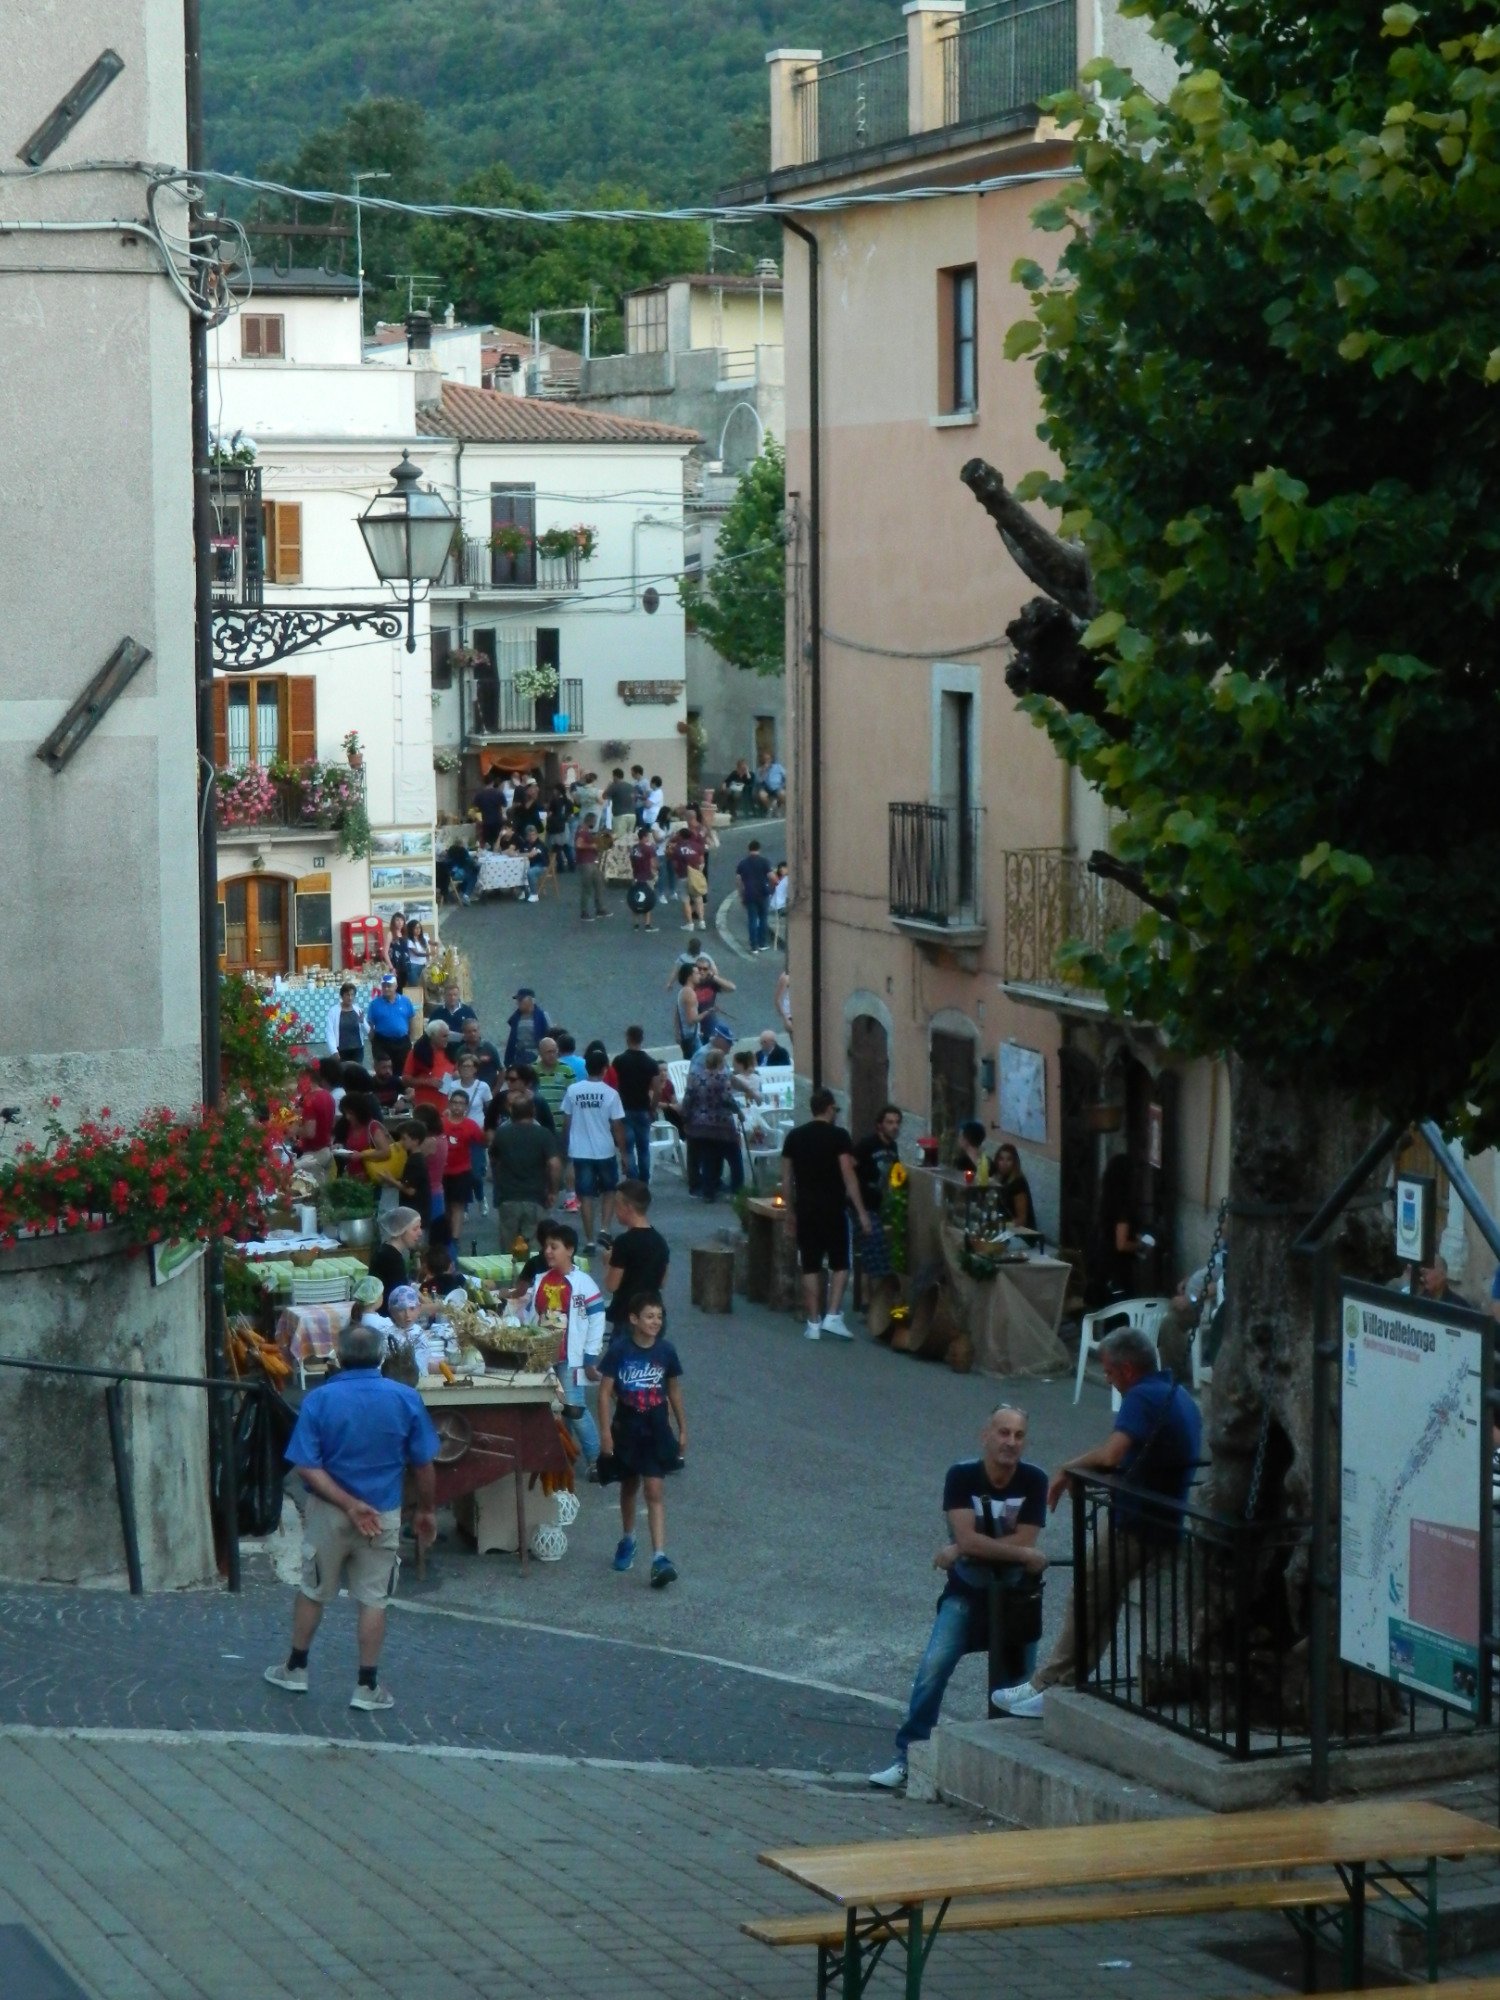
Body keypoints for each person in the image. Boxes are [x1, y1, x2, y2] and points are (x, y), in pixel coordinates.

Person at [992, 1327, 1202, 1718]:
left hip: (1139, 1522)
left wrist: (1065, 1469)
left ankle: (1050, 1684)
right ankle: (1060, 1682)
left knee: (1088, 1595)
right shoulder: (1174, 1393)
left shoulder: (1141, 1396)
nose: (1106, 1379)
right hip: (1162, 1517)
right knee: (1098, 1599)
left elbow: (1111, 1454)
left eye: (1108, 1371)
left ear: (1125, 1369)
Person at [264, 1318, 440, 1712]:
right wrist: (426, 1510)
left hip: (330, 1513)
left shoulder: (319, 1400)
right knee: (373, 1599)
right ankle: (367, 1686)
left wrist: (346, 1504)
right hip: (383, 1512)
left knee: (313, 1590)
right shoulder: (405, 1398)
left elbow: (306, 1465)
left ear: (339, 1356)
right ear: (380, 1357)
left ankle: (296, 1668)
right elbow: (425, 1463)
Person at [870, 1405, 1049, 1789]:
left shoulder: (1035, 1479)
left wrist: (963, 1550)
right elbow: (1007, 1545)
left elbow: (1021, 1539)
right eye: (1003, 1433)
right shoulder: (962, 1475)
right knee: (932, 1670)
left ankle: (1006, 1776)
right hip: (967, 1593)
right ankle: (908, 1759)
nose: (1010, 1443)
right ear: (985, 1436)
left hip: (1016, 1599)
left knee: (1017, 1689)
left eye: (1018, 1435)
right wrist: (987, 1550)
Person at [598, 1291, 686, 1588]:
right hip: (627, 1426)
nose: (655, 1322)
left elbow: (673, 1391)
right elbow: (603, 1393)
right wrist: (605, 1434)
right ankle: (628, 1538)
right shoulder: (620, 1351)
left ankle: (660, 1557)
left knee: (654, 1489)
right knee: (629, 1486)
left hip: (656, 1428)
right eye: (649, 1316)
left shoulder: (666, 1352)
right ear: (634, 1319)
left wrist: (683, 1428)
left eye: (659, 1317)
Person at [780, 1088, 870, 1340]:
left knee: (810, 1264)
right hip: (833, 1208)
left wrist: (790, 1212)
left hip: (806, 1208)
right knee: (840, 1262)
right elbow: (848, 1175)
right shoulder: (839, 1136)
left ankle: (813, 1322)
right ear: (830, 1108)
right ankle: (832, 1314)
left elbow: (786, 1178)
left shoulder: (795, 1137)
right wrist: (861, 1211)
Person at [521, 1221, 606, 1467]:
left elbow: (597, 1320)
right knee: (551, 1410)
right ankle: (562, 1459)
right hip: (544, 1356)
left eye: (554, 1246)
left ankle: (596, 1461)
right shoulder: (540, 1280)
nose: (547, 1251)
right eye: (546, 1246)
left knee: (574, 1408)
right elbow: (531, 1317)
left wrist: (591, 1356)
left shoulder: (584, 1283)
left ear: (569, 1250)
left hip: (573, 1358)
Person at [561, 1049, 627, 1251]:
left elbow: (567, 1121)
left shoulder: (573, 1091)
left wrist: (566, 1145)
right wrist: (623, 1153)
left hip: (580, 1150)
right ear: (605, 1069)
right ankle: (605, 1229)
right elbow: (617, 1126)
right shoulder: (611, 1094)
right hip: (604, 1148)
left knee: (586, 1195)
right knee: (609, 1190)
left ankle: (589, 1240)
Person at [489, 1092, 562, 1251]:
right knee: (535, 1246)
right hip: (535, 1196)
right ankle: (532, 1275)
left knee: (508, 1248)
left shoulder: (502, 1133)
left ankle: (511, 1274)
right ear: (533, 1111)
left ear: (511, 1112)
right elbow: (554, 1164)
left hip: (508, 1196)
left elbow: (494, 1160)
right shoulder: (543, 1134)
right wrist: (553, 1191)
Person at [601, 1180, 670, 1339]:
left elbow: (611, 1285)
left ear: (628, 1208)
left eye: (617, 1206)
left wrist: (607, 1262)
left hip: (628, 1313)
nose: (615, 1211)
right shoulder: (660, 1241)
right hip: (653, 1312)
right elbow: (662, 1282)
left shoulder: (624, 1243)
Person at [682, 1049, 743, 1204]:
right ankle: (738, 1188)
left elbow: (688, 1099)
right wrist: (739, 1112)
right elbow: (727, 1098)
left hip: (700, 1125)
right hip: (721, 1125)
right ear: (720, 1062)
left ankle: (708, 1192)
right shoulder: (723, 1078)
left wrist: (686, 1118)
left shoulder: (694, 1077)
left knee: (708, 1157)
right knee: (734, 1156)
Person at [852, 1104, 903, 1283]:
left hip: (878, 1204)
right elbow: (849, 1168)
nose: (894, 1126)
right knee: (875, 1244)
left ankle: (870, 1301)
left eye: (897, 1122)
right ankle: (880, 1293)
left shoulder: (893, 1147)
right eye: (890, 1122)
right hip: (861, 1205)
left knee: (875, 1249)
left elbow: (895, 1174)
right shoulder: (867, 1144)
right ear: (880, 1125)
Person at [612, 1027, 661, 1183]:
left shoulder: (619, 1061)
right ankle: (644, 1180)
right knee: (644, 1148)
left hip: (624, 1109)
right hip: (643, 1109)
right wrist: (652, 1109)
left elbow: (614, 1087)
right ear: (642, 1039)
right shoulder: (651, 1062)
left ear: (628, 1038)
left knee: (628, 1148)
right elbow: (657, 1089)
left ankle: (632, 1180)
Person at [439, 1087, 486, 1242]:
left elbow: (482, 1142)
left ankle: (455, 1239)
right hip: (442, 1172)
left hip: (462, 1171)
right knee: (444, 1207)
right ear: (449, 1104)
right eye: (454, 1102)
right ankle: (444, 1235)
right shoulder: (441, 1123)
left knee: (458, 1206)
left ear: (466, 1107)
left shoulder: (471, 1125)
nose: (457, 1106)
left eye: (461, 1103)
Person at [368, 1207, 424, 1312]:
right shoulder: (392, 1259)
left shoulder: (386, 1249)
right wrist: (437, 1307)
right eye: (415, 1229)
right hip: (387, 1316)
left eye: (420, 1228)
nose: (420, 1233)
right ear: (401, 1230)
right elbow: (401, 1303)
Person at [294, 1061, 338, 1180]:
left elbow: (309, 1132)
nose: (297, 1085)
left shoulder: (310, 1100)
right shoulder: (328, 1095)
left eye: (298, 1080)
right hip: (326, 1151)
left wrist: (292, 1130)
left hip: (313, 1155)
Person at [367, 972, 416, 1073]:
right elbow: (371, 1026)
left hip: (402, 1042)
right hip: (382, 1042)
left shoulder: (405, 1001)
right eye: (384, 986)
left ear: (396, 986)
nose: (386, 989)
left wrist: (411, 1040)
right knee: (384, 1070)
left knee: (402, 1070)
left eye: (389, 986)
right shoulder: (375, 1004)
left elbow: (411, 1020)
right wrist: (374, 1044)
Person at [668, 814, 709, 931]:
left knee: (685, 900)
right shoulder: (697, 847)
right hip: (695, 875)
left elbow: (674, 864)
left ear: (681, 836)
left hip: (682, 876)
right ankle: (702, 922)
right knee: (698, 898)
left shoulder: (677, 849)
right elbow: (702, 861)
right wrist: (699, 872)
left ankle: (690, 923)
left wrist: (677, 872)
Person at [403, 1022, 455, 1113]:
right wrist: (428, 1082)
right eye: (444, 1036)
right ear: (432, 1036)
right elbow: (405, 1080)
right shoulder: (417, 1053)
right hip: (425, 1107)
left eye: (448, 1035)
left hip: (446, 1107)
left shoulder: (450, 1051)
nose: (447, 1039)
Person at [736, 838, 774, 954]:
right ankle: (762, 944)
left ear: (749, 849)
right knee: (763, 919)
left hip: (749, 894)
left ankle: (753, 946)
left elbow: (738, 880)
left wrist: (741, 894)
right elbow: (773, 878)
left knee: (752, 920)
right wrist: (771, 888)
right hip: (763, 893)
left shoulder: (742, 863)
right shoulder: (764, 862)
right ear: (759, 849)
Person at [574, 812, 608, 922]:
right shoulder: (582, 831)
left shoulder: (586, 831)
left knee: (599, 884)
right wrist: (591, 846)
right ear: (590, 821)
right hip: (585, 863)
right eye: (594, 821)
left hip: (592, 861)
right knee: (587, 888)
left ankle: (600, 909)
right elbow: (579, 845)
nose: (595, 823)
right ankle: (584, 912)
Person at [504, 988, 551, 1066]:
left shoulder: (542, 1016)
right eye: (517, 1000)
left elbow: (550, 1037)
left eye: (521, 999)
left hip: (537, 1058)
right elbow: (511, 1041)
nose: (518, 1002)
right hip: (519, 1057)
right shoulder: (516, 1018)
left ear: (531, 1000)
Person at [993, 1143, 1035, 1230]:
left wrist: (1000, 1226)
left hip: (1021, 1233)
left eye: (1009, 1159)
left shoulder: (1018, 1183)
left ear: (1014, 1162)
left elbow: (1022, 1220)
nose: (1004, 1163)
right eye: (1001, 1159)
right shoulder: (1000, 1178)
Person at [458, 1015, 503, 1092]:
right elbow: (457, 1072)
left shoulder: (489, 1047)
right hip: (469, 1093)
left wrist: (495, 1091)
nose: (472, 1034)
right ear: (464, 1033)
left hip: (489, 1092)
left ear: (479, 1031)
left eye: (474, 1030)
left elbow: (502, 1071)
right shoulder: (461, 1051)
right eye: (469, 1031)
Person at [327, 982, 368, 1065]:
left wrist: (362, 1021)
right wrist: (334, 1052)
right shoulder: (334, 1011)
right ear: (342, 996)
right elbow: (329, 1033)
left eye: (352, 995)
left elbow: (367, 1031)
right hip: (341, 1051)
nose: (350, 998)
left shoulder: (358, 1010)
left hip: (357, 1050)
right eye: (347, 995)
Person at [629, 826, 658, 930]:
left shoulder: (634, 848)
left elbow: (632, 862)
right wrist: (655, 872)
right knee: (648, 900)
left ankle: (636, 924)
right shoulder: (649, 849)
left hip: (636, 876)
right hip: (647, 877)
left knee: (635, 899)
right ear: (645, 837)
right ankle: (647, 924)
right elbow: (653, 864)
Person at [673, 965, 701, 1059]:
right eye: (697, 973)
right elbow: (691, 1020)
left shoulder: (682, 991)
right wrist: (708, 1012)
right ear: (690, 976)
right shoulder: (690, 993)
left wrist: (677, 1033)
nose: (699, 975)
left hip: (686, 1036)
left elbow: (677, 1013)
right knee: (698, 1064)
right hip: (691, 1037)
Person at [473, 770, 506, 848]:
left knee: (487, 844)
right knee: (497, 843)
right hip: (497, 821)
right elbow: (503, 808)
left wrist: (479, 821)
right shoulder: (499, 793)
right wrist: (504, 818)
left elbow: (476, 810)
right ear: (493, 782)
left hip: (485, 822)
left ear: (484, 782)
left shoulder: (479, 795)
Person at [402, 918, 430, 996]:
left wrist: (436, 944)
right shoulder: (409, 940)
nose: (418, 930)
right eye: (415, 928)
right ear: (411, 929)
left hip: (424, 965)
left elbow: (431, 943)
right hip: (413, 966)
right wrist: (430, 954)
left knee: (425, 986)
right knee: (414, 987)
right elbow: (417, 953)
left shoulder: (424, 938)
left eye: (419, 928)